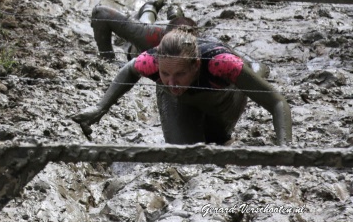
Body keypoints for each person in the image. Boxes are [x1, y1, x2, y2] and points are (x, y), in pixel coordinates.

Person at [71, 27, 293, 145]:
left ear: (195, 66)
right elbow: (129, 70)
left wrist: (285, 147)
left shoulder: (221, 64)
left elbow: (276, 101)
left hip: (222, 94)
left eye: (179, 74)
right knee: (185, 154)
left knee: (218, 140)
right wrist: (100, 108)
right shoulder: (151, 62)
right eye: (165, 73)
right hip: (181, 100)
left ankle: (255, 68)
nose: (172, 81)